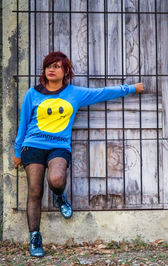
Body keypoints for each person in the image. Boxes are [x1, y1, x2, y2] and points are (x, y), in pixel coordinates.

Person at [13, 51, 144, 257]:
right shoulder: (33, 93)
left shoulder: (74, 93)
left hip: (59, 146)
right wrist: (17, 150)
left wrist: (131, 88)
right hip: (33, 145)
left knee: (56, 179)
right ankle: (35, 238)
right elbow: (23, 122)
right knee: (34, 192)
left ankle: (59, 196)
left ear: (66, 71)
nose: (51, 69)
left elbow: (103, 93)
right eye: (48, 66)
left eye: (56, 66)